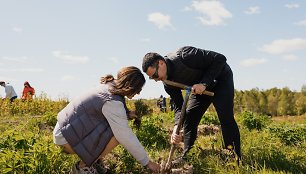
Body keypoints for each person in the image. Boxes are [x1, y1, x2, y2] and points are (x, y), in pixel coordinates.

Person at [142, 46, 241, 163]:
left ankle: (233, 158)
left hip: (220, 79)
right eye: (151, 78)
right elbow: (179, 108)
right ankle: (187, 155)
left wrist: (204, 83)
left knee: (225, 118)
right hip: (198, 89)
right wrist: (176, 128)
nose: (155, 79)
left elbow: (220, 59)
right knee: (190, 118)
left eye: (155, 75)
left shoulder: (185, 55)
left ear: (161, 63)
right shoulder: (168, 84)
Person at [53, 66, 160, 174]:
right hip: (65, 138)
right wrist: (147, 162)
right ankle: (82, 168)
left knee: (114, 128)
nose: (138, 93)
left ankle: (95, 162)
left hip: (63, 130)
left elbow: (101, 114)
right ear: (130, 86)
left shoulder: (108, 87)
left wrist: (127, 114)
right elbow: (125, 136)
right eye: (138, 89)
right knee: (117, 136)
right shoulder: (112, 101)